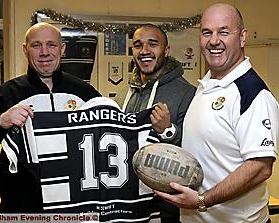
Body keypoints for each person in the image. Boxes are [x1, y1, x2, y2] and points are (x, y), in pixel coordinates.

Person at [154, 3, 278, 223]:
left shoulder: (252, 93)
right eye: (206, 32)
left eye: (223, 32)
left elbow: (260, 167)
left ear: (242, 38)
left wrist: (203, 200)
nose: (213, 41)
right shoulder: (207, 85)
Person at [0, 22, 101, 212]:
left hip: (76, 207)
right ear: (25, 50)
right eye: (36, 45)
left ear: (62, 49)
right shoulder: (7, 93)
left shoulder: (86, 94)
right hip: (22, 207)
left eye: (51, 45)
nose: (44, 52)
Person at [115, 24, 196, 223]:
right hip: (127, 203)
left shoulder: (188, 94)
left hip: (166, 207)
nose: (144, 51)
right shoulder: (123, 95)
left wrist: (168, 131)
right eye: (138, 45)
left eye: (153, 44)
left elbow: (197, 151)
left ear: (166, 50)